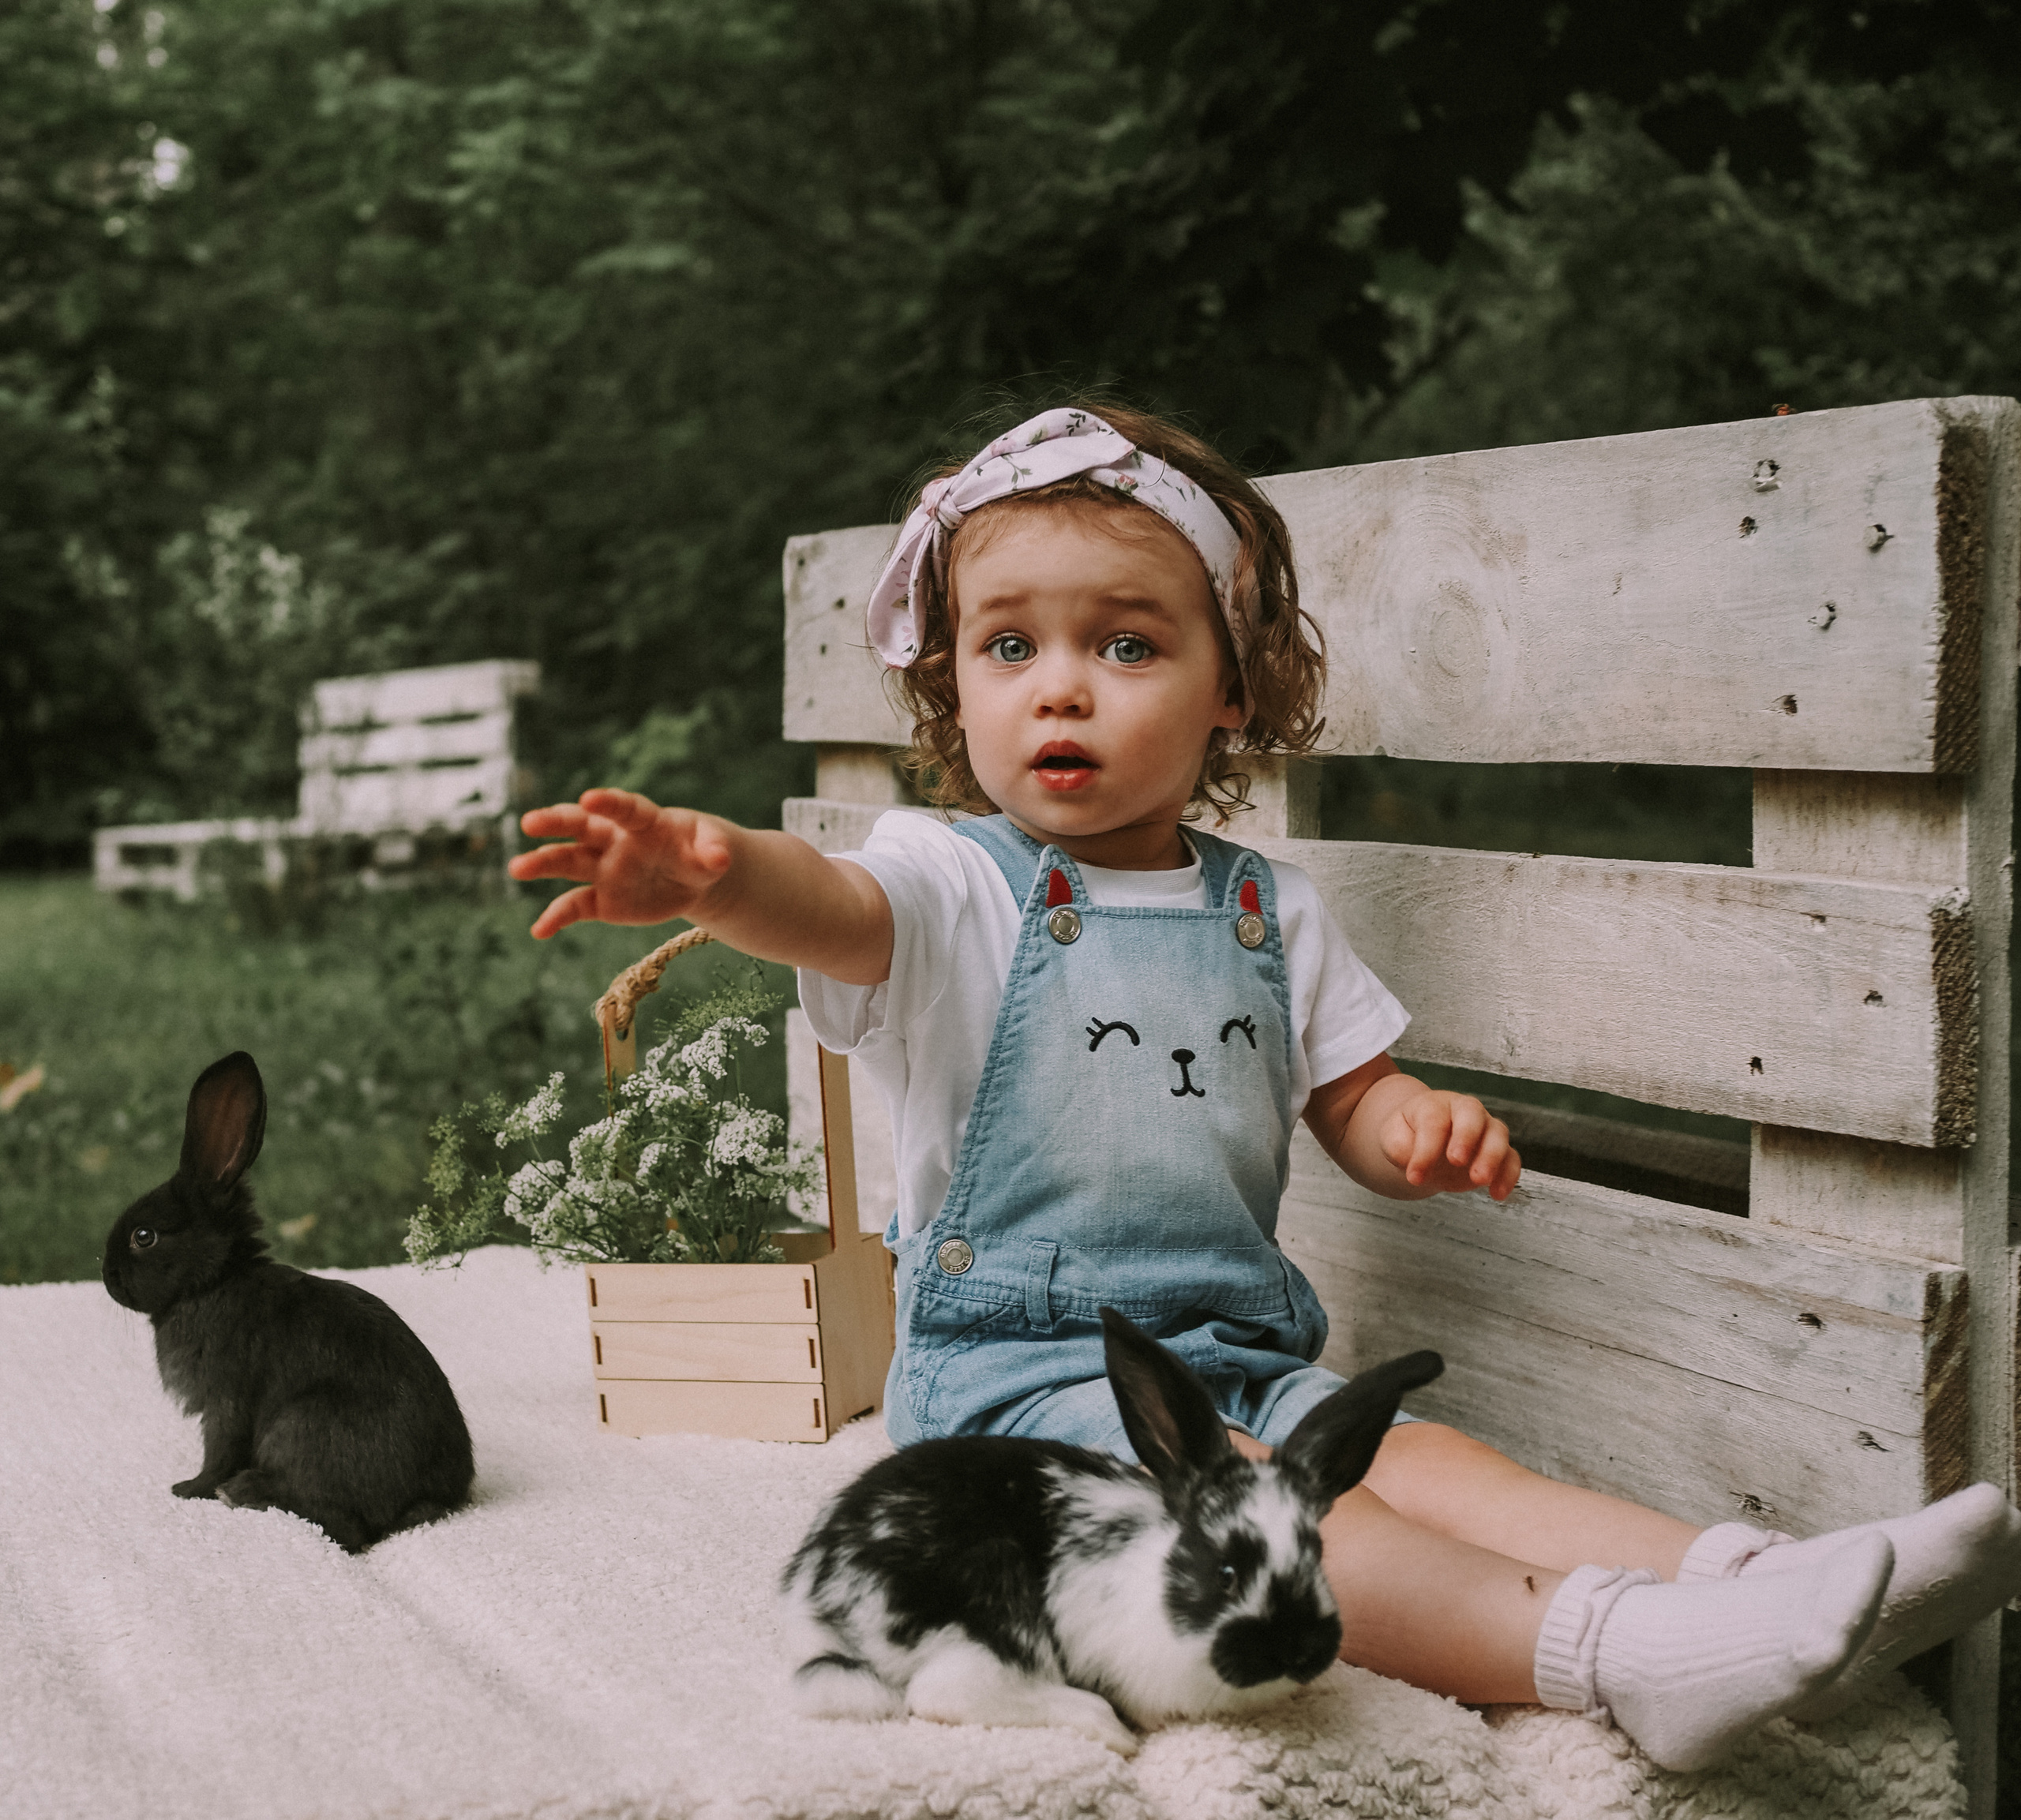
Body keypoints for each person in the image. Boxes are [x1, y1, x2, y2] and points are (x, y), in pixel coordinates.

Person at [509, 404, 2021, 1770]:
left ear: (1232, 686)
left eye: (1127, 645)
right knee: (1291, 1524)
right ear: (949, 680)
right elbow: (833, 908)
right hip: (1028, 1385)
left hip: (1241, 1347)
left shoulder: (1266, 910)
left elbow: (1348, 1100)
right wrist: (717, 880)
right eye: (1008, 646)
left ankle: (1750, 1580)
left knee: (1441, 1464)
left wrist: (1410, 1124)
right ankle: (1614, 1652)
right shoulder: (952, 882)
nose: (1062, 693)